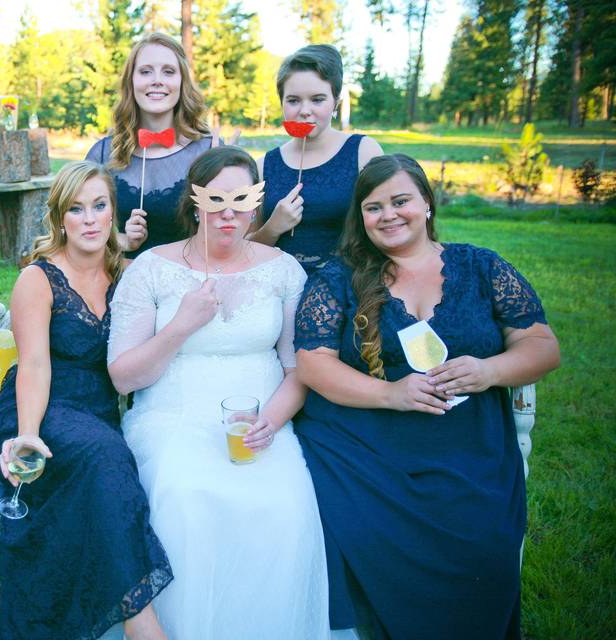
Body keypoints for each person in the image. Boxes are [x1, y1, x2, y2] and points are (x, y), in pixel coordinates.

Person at [292, 154, 561, 639]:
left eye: (401, 201)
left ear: (427, 204)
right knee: (353, 529)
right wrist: (390, 393)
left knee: (485, 547)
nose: (389, 215)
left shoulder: (480, 266)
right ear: (361, 218)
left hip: (467, 445)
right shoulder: (340, 277)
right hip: (364, 442)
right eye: (374, 208)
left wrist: (488, 370)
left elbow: (542, 346)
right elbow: (313, 363)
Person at [107, 146, 329, 639]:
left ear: (258, 204)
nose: (229, 212)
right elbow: (122, 377)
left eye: (241, 199)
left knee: (287, 507)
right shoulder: (151, 268)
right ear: (195, 201)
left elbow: (300, 369)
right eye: (216, 199)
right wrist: (179, 327)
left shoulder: (284, 270)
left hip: (263, 423)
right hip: (172, 418)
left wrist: (272, 421)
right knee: (185, 499)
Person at [0, 161, 172, 640]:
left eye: (99, 206)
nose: (89, 219)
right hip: (37, 407)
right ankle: (141, 623)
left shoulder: (130, 274)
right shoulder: (39, 280)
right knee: (106, 455)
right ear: (60, 218)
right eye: (76, 209)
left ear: (113, 213)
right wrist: (26, 434)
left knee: (105, 457)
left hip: (96, 413)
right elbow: (34, 367)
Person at [250, 44, 382, 274]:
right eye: (293, 100)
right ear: (281, 102)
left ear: (335, 103)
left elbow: (384, 226)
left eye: (317, 99)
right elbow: (244, 250)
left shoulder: (363, 151)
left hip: (346, 283)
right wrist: (273, 227)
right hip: (278, 284)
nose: (304, 110)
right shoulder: (263, 166)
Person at [86, 32, 215, 258]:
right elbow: (69, 224)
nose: (157, 80)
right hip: (122, 280)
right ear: (131, 81)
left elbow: (231, 232)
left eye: (168, 71)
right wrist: (120, 240)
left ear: (182, 81)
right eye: (146, 71)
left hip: (190, 282)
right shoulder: (103, 154)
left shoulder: (208, 150)